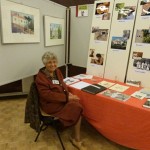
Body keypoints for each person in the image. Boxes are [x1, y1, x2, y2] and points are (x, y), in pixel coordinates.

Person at [35, 51, 85, 150]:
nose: (53, 64)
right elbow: (47, 95)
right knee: (77, 107)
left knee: (77, 105)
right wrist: (67, 98)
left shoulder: (56, 71)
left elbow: (62, 83)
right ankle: (76, 139)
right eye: (49, 62)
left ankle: (75, 136)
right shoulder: (40, 78)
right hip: (50, 104)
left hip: (59, 99)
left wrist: (68, 93)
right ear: (44, 64)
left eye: (54, 62)